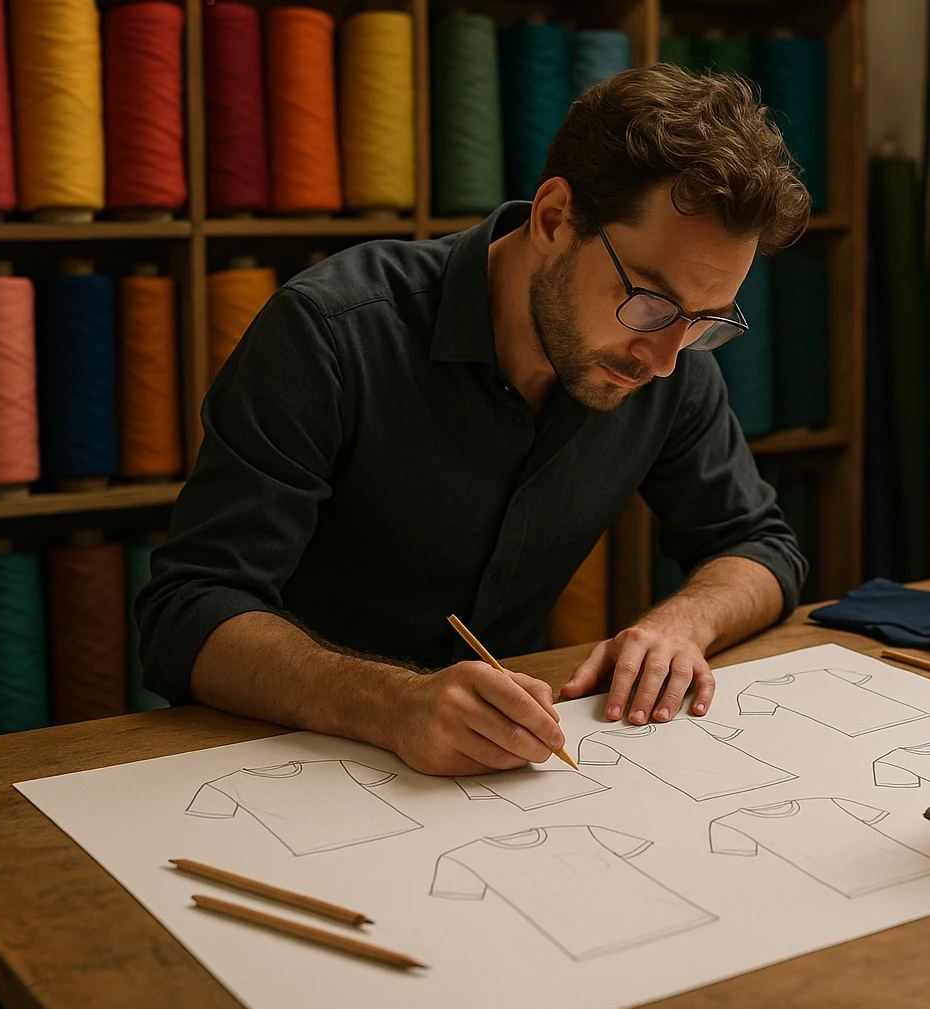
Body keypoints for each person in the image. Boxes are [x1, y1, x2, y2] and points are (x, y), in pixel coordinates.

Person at [137, 65, 811, 776]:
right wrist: (391, 703)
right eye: (650, 302)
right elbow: (187, 611)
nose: (670, 358)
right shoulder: (331, 334)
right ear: (553, 220)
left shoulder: (664, 362)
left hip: (501, 773)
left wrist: (683, 622)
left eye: (706, 322)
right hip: (286, 763)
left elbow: (759, 544)